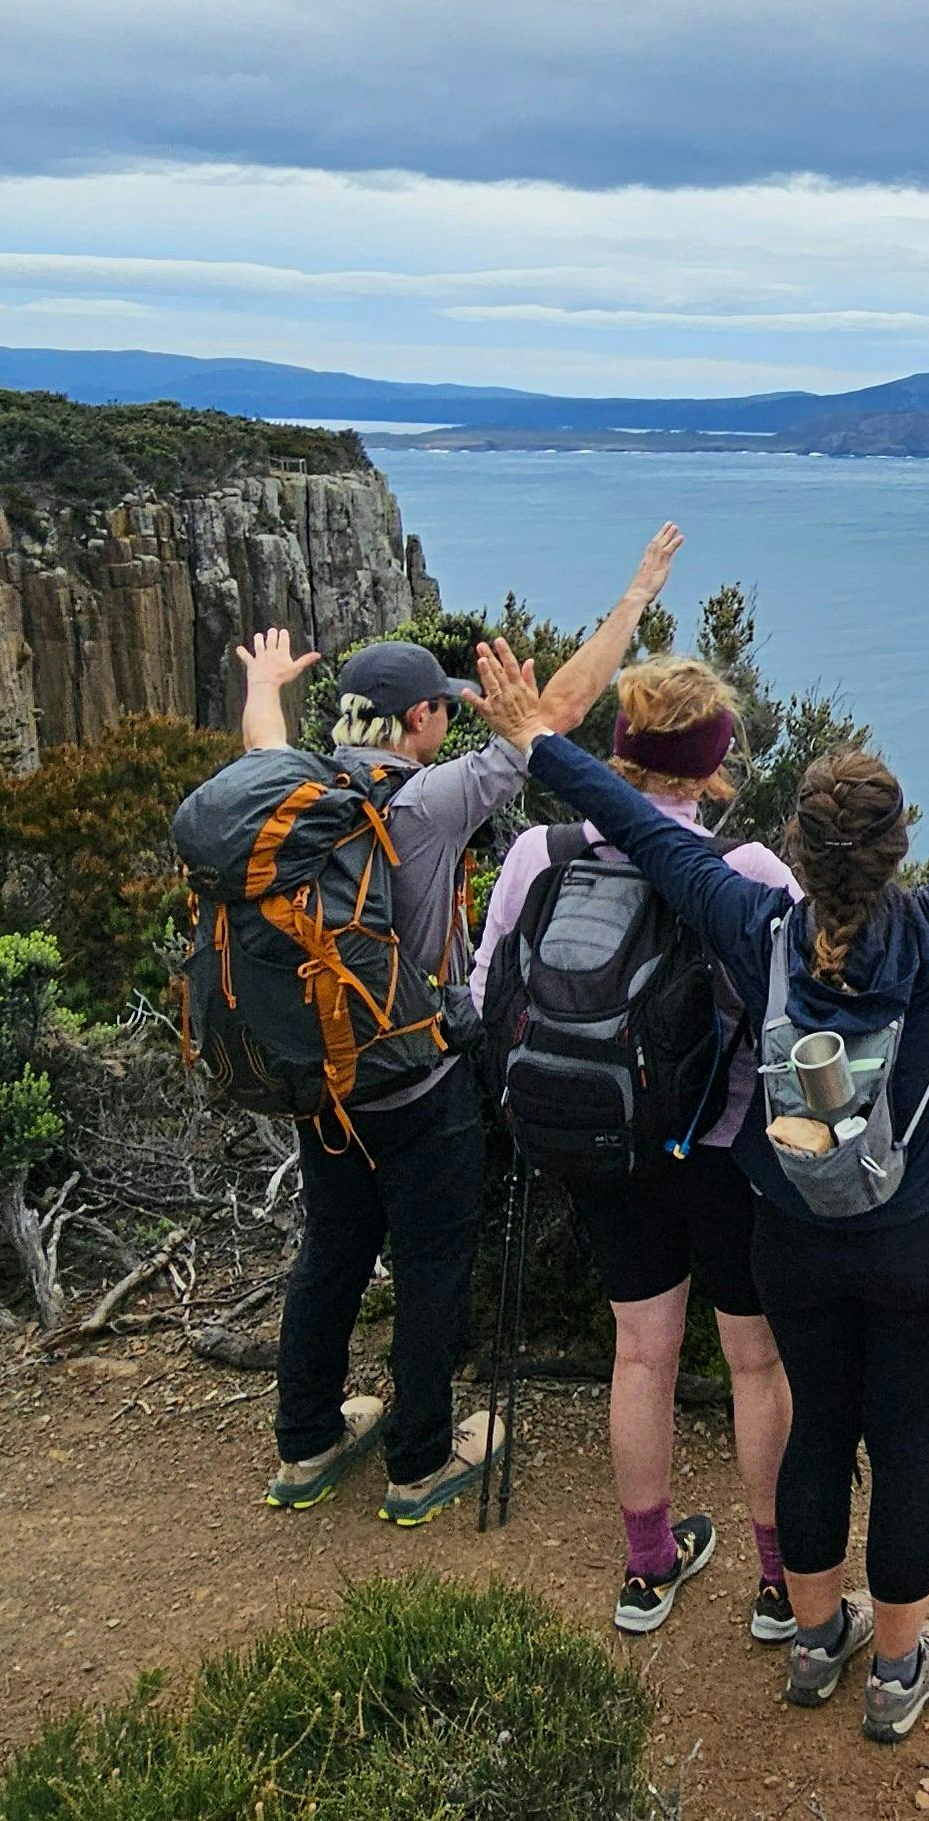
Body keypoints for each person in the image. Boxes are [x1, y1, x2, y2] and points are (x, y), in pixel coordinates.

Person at [512, 601, 929, 1745]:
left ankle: (817, 1636)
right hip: (924, 1233)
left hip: (793, 1231)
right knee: (907, 1443)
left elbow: (633, 818)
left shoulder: (753, 919)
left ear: (804, 841)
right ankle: (894, 1667)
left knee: (821, 1425)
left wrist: (540, 737)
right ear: (893, 848)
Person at [468, 527, 807, 1641]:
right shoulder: (746, 871)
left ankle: (648, 1568)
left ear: (616, 752)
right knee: (752, 1355)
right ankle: (773, 1579)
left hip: (599, 1146)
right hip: (725, 1154)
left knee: (640, 1350)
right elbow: (790, 1016)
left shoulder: (541, 853)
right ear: (714, 768)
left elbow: (486, 996)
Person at [244, 615, 617, 1531]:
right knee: (432, 1260)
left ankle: (306, 1445)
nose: (450, 723)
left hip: (323, 1080)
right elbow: (551, 720)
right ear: (416, 721)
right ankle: (418, 1464)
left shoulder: (293, 788)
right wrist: (636, 599)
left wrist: (265, 686)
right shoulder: (426, 802)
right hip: (414, 1080)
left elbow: (259, 743)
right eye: (442, 711)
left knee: (331, 1249)